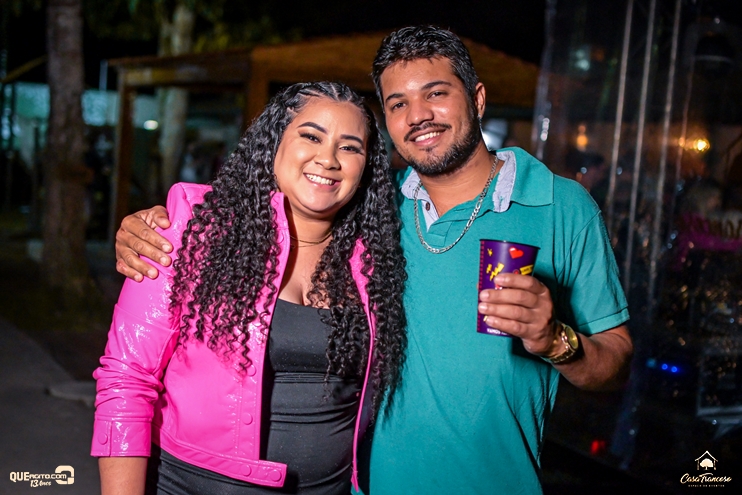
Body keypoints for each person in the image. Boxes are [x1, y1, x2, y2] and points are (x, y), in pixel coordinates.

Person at [113, 27, 633, 495]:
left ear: (477, 99)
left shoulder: (562, 207)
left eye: (436, 93)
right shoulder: (371, 213)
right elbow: (272, 207)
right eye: (398, 103)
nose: (419, 115)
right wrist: (155, 227)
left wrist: (556, 341)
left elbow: (615, 363)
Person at [92, 81, 407, 495]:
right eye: (311, 136)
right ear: (274, 142)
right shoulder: (195, 230)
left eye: (350, 147)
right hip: (193, 485)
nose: (328, 159)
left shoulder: (377, 257)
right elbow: (127, 379)